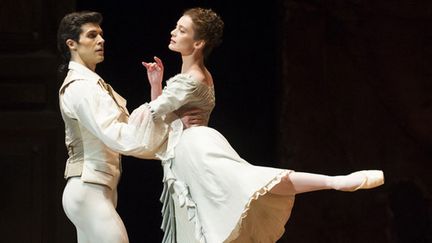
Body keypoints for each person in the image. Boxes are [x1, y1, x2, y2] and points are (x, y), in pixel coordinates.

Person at [141, 7, 385, 243]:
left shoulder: (190, 80)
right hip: (187, 155)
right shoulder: (194, 76)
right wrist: (156, 85)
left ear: (198, 43)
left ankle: (335, 182)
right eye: (176, 27)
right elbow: (164, 120)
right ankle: (334, 182)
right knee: (211, 219)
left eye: (182, 30)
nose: (173, 32)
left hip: (195, 148)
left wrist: (119, 127)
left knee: (252, 183)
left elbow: (154, 114)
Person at [56, 11, 203, 243]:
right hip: (87, 190)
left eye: (101, 35)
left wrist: (159, 103)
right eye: (92, 35)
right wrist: (161, 113)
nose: (101, 40)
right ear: (72, 44)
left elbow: (127, 133)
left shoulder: (95, 85)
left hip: (100, 189)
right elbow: (119, 136)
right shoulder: (80, 87)